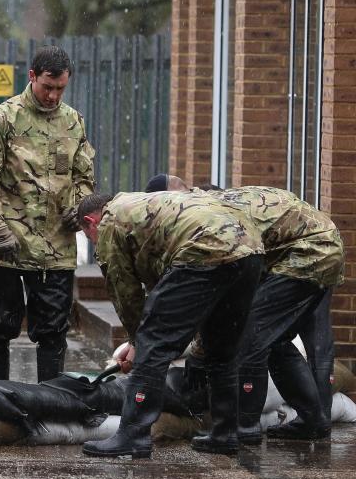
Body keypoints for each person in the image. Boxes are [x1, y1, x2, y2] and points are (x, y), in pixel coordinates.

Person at [145, 175, 343, 441]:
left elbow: (218, 299)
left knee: (251, 337)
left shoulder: (204, 220)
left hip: (307, 253)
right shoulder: (210, 207)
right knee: (277, 339)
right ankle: (313, 420)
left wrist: (199, 354)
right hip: (317, 248)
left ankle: (245, 427)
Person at [77, 191, 264, 458]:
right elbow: (164, 281)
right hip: (250, 248)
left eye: (89, 238)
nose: (94, 244)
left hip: (204, 248)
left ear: (91, 222)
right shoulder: (142, 205)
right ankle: (225, 433)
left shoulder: (110, 222)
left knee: (154, 343)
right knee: (221, 349)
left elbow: (125, 291)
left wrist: (136, 341)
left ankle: (133, 435)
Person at [0, 45, 95, 382]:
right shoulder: (2, 120)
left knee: (53, 333)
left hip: (54, 248)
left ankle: (52, 407)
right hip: (3, 245)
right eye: (47, 87)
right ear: (32, 77)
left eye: (60, 89)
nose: (53, 96)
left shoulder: (72, 122)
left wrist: (80, 208)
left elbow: (84, 176)